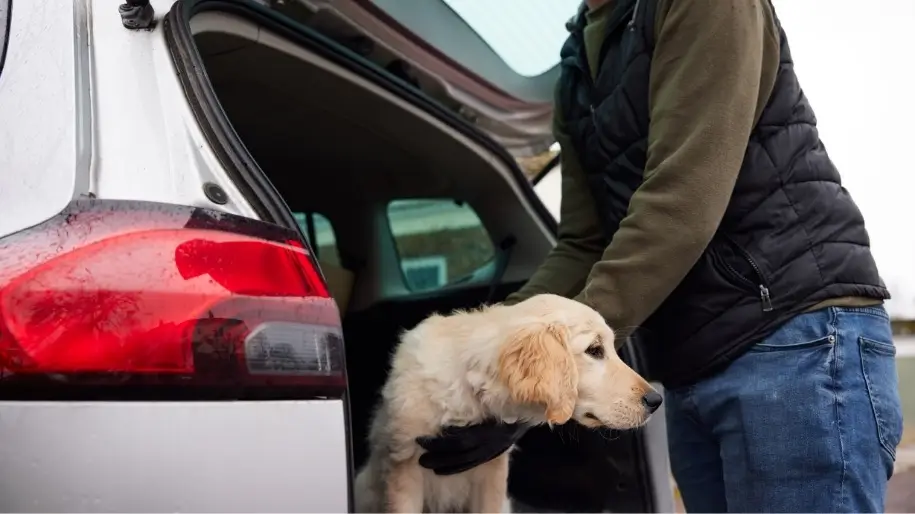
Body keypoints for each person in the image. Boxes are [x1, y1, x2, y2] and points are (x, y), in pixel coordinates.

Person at [414, 0, 904, 512]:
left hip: (793, 340)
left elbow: (682, 204)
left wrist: (548, 367)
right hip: (690, 359)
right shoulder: (577, 61)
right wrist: (492, 352)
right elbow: (583, 243)